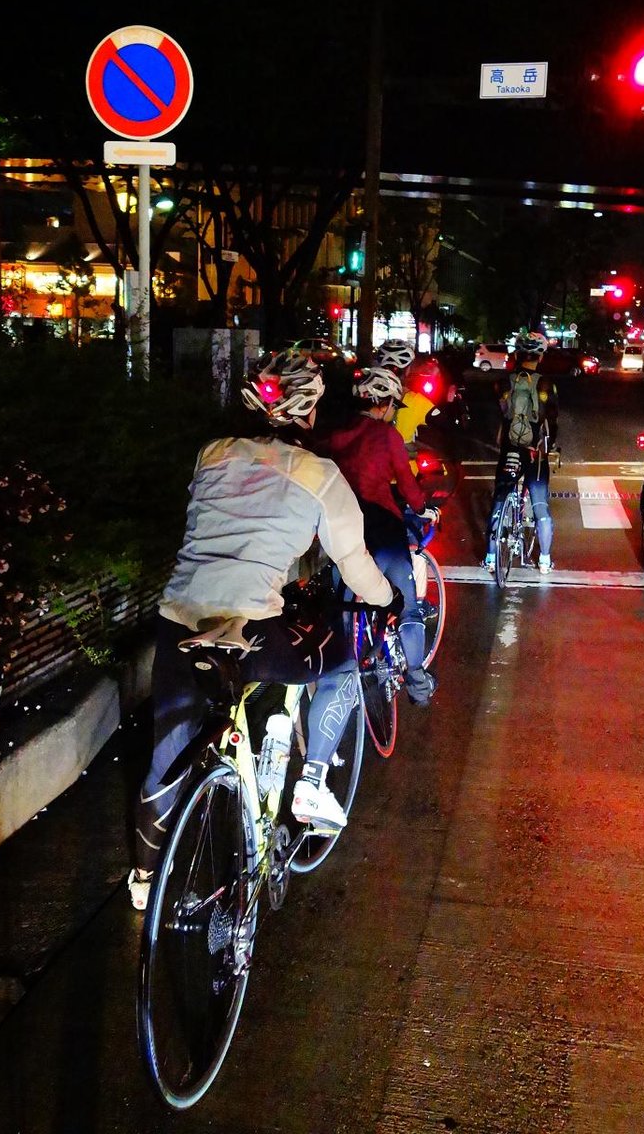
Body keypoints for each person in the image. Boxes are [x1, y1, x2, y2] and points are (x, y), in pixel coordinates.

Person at [127, 350, 400, 910]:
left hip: (179, 621)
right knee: (342, 662)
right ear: (310, 410)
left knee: (169, 749)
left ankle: (143, 878)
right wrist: (389, 600)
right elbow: (354, 565)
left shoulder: (212, 454)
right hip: (252, 630)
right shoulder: (321, 476)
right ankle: (311, 782)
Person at [309, 364, 441, 707]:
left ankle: (342, 676)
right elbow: (407, 485)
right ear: (383, 404)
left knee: (343, 607)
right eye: (394, 405)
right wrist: (423, 508)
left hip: (339, 529)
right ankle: (418, 684)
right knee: (409, 608)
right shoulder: (387, 436)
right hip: (381, 527)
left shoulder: (333, 435)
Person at [484, 330, 559, 574]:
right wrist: (549, 445)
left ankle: (490, 557)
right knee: (540, 506)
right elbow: (553, 421)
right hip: (535, 452)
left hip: (510, 449)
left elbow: (499, 413)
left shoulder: (503, 383)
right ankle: (545, 561)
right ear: (541, 357)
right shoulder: (546, 385)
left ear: (517, 354)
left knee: (499, 499)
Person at [373, 340, 437, 446]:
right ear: (408, 370)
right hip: (402, 456)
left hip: (367, 455)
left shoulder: (364, 394)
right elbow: (447, 427)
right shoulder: (417, 402)